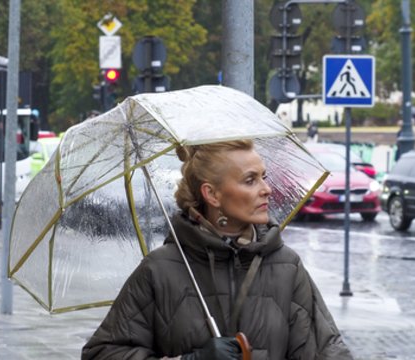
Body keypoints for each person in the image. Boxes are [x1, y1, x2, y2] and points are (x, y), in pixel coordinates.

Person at [82, 140, 353, 359]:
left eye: (264, 177)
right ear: (212, 195)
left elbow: (327, 351)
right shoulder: (160, 269)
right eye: (250, 180)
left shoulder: (286, 266)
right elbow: (102, 354)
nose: (267, 189)